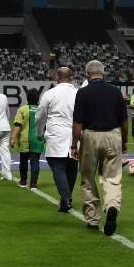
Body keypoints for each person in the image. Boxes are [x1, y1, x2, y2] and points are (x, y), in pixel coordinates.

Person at [73, 60, 127, 236]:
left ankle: (92, 219)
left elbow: (77, 123)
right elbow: (124, 121)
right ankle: (111, 206)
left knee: (88, 178)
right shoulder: (115, 92)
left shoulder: (82, 93)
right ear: (103, 73)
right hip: (113, 135)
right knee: (112, 178)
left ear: (87, 74)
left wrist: (74, 144)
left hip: (90, 136)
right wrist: (124, 140)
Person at [36, 67, 78, 212]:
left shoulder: (49, 94)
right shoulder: (79, 93)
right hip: (75, 135)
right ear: (72, 77)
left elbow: (40, 115)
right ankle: (66, 198)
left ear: (56, 77)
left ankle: (66, 198)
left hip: (56, 135)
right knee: (72, 167)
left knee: (58, 167)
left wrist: (39, 133)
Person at [11, 87, 44, 190]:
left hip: (24, 140)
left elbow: (18, 125)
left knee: (23, 162)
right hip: (38, 140)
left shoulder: (22, 109)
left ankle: (23, 181)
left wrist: (13, 138)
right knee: (35, 162)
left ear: (27, 98)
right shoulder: (42, 109)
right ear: (38, 98)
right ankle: (33, 184)